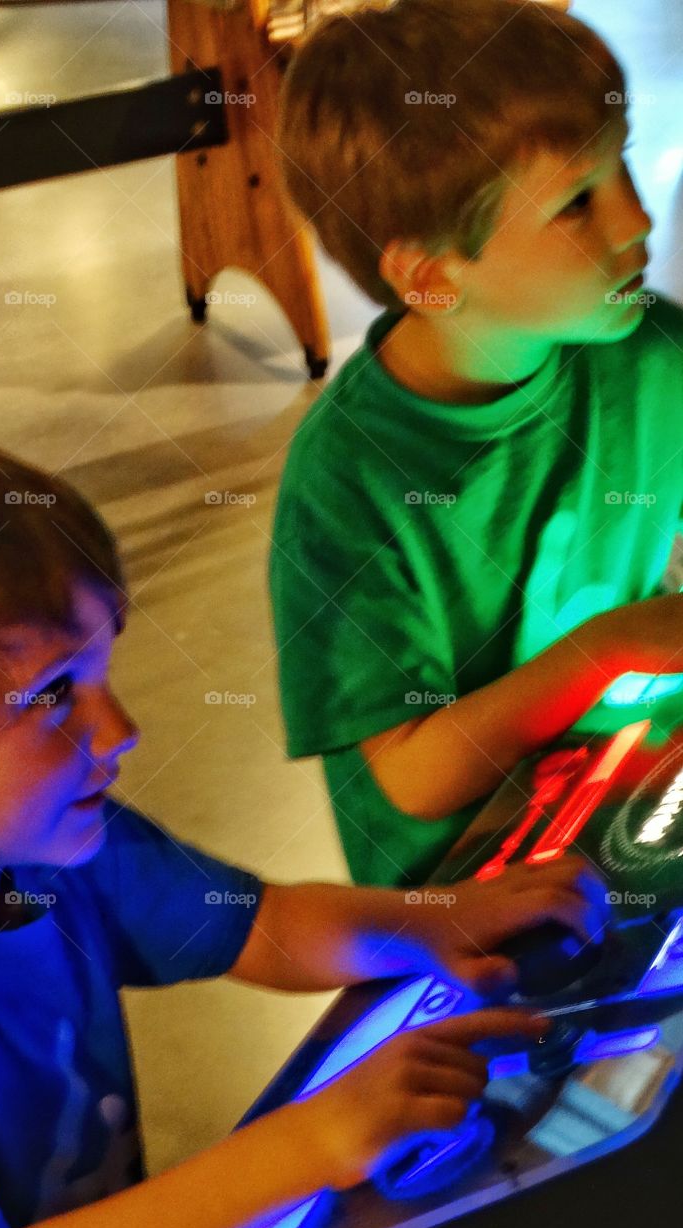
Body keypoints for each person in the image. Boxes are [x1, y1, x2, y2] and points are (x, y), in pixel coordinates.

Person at [0, 424, 605, 1228]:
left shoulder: (44, 840)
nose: (120, 728)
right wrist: (303, 1145)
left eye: (100, 675)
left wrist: (435, 919)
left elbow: (261, 926)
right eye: (52, 694)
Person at [268, 0, 683, 887]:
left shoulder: (651, 352)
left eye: (622, 167)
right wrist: (612, 646)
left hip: (639, 797)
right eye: (577, 203)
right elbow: (416, 775)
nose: (636, 221)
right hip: (473, 887)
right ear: (429, 274)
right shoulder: (346, 482)